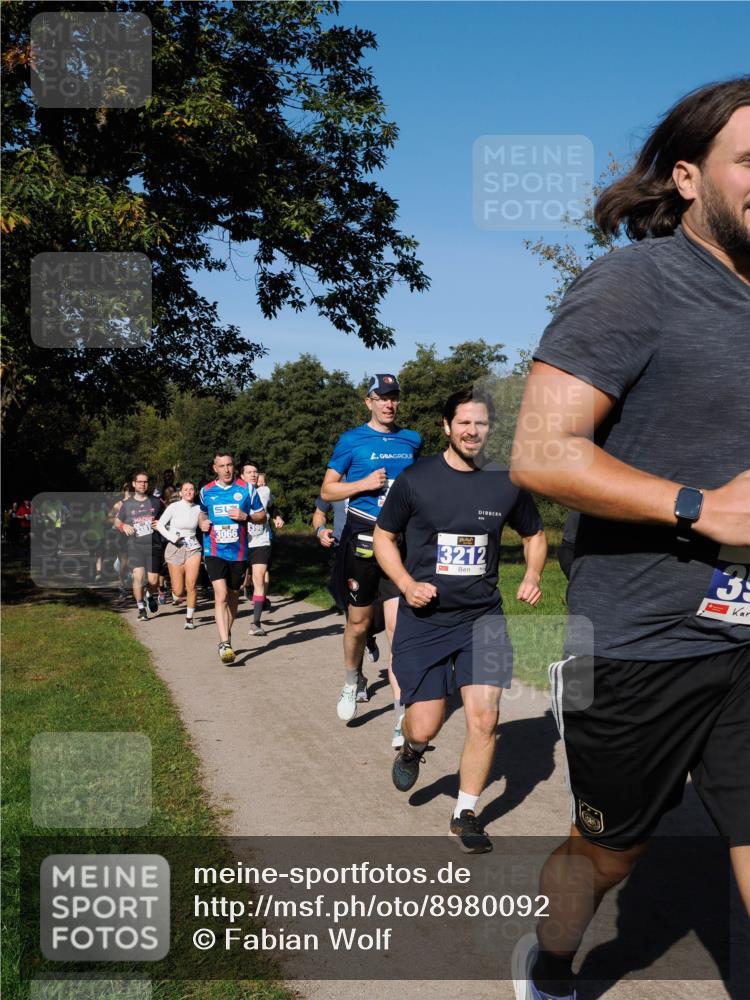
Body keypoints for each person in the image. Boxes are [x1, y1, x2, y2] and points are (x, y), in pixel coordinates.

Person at [508, 78, 750, 1000]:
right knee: (607, 855)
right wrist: (700, 506)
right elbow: (540, 452)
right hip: (642, 638)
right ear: (689, 177)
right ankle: (555, 962)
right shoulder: (634, 281)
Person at [374, 386, 546, 852]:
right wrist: (408, 584)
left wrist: (532, 573)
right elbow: (383, 536)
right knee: (426, 723)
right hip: (426, 618)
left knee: (485, 717)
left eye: (482, 423)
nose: (473, 431)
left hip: (482, 618)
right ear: (447, 427)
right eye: (464, 423)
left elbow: (534, 535)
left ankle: (465, 813)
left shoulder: (505, 481)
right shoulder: (416, 479)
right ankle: (412, 748)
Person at [320, 373, 421, 743]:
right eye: (382, 397)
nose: (389, 404)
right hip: (361, 539)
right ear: (369, 402)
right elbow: (328, 490)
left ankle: (401, 715)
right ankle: (351, 682)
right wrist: (362, 484)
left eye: (394, 397)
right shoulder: (352, 440)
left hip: (397, 541)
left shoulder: (411, 440)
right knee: (359, 624)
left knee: (399, 631)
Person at [198, 452, 266, 663]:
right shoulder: (205, 491)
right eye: (222, 466)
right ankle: (224, 642)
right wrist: (202, 522)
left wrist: (246, 516)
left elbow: (262, 515)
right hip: (214, 550)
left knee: (233, 597)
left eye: (229, 465)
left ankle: (226, 635)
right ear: (215, 468)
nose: (227, 469)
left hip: (238, 552)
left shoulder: (246, 489)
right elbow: (202, 512)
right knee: (220, 595)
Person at [313, 495, 382, 658]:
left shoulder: (374, 477)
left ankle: (368, 632)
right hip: (342, 549)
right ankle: (357, 664)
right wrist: (320, 531)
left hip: (378, 547)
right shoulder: (334, 482)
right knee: (350, 603)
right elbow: (318, 513)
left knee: (379, 601)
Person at [240, 462, 284, 636]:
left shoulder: (264, 491)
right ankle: (243, 590)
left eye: (255, 472)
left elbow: (271, 507)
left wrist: (277, 517)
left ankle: (255, 623)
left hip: (261, 540)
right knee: (235, 583)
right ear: (242, 476)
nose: (253, 475)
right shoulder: (236, 493)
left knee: (260, 578)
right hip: (241, 542)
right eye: (249, 472)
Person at [114, 471, 164, 620]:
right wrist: (123, 526)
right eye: (140, 482)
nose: (143, 484)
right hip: (134, 545)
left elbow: (168, 517)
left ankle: (149, 595)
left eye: (146, 482)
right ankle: (141, 608)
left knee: (153, 580)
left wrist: (160, 524)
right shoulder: (127, 504)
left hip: (153, 544)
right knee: (138, 576)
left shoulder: (156, 501)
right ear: (134, 484)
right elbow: (116, 521)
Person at [156, 480, 202, 629]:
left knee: (192, 585)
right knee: (179, 590)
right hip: (174, 547)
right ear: (181, 493)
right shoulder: (173, 507)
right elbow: (160, 525)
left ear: (194, 492)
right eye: (186, 489)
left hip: (192, 547)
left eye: (191, 489)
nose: (189, 492)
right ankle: (174, 591)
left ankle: (189, 619)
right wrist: (172, 537)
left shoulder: (199, 509)